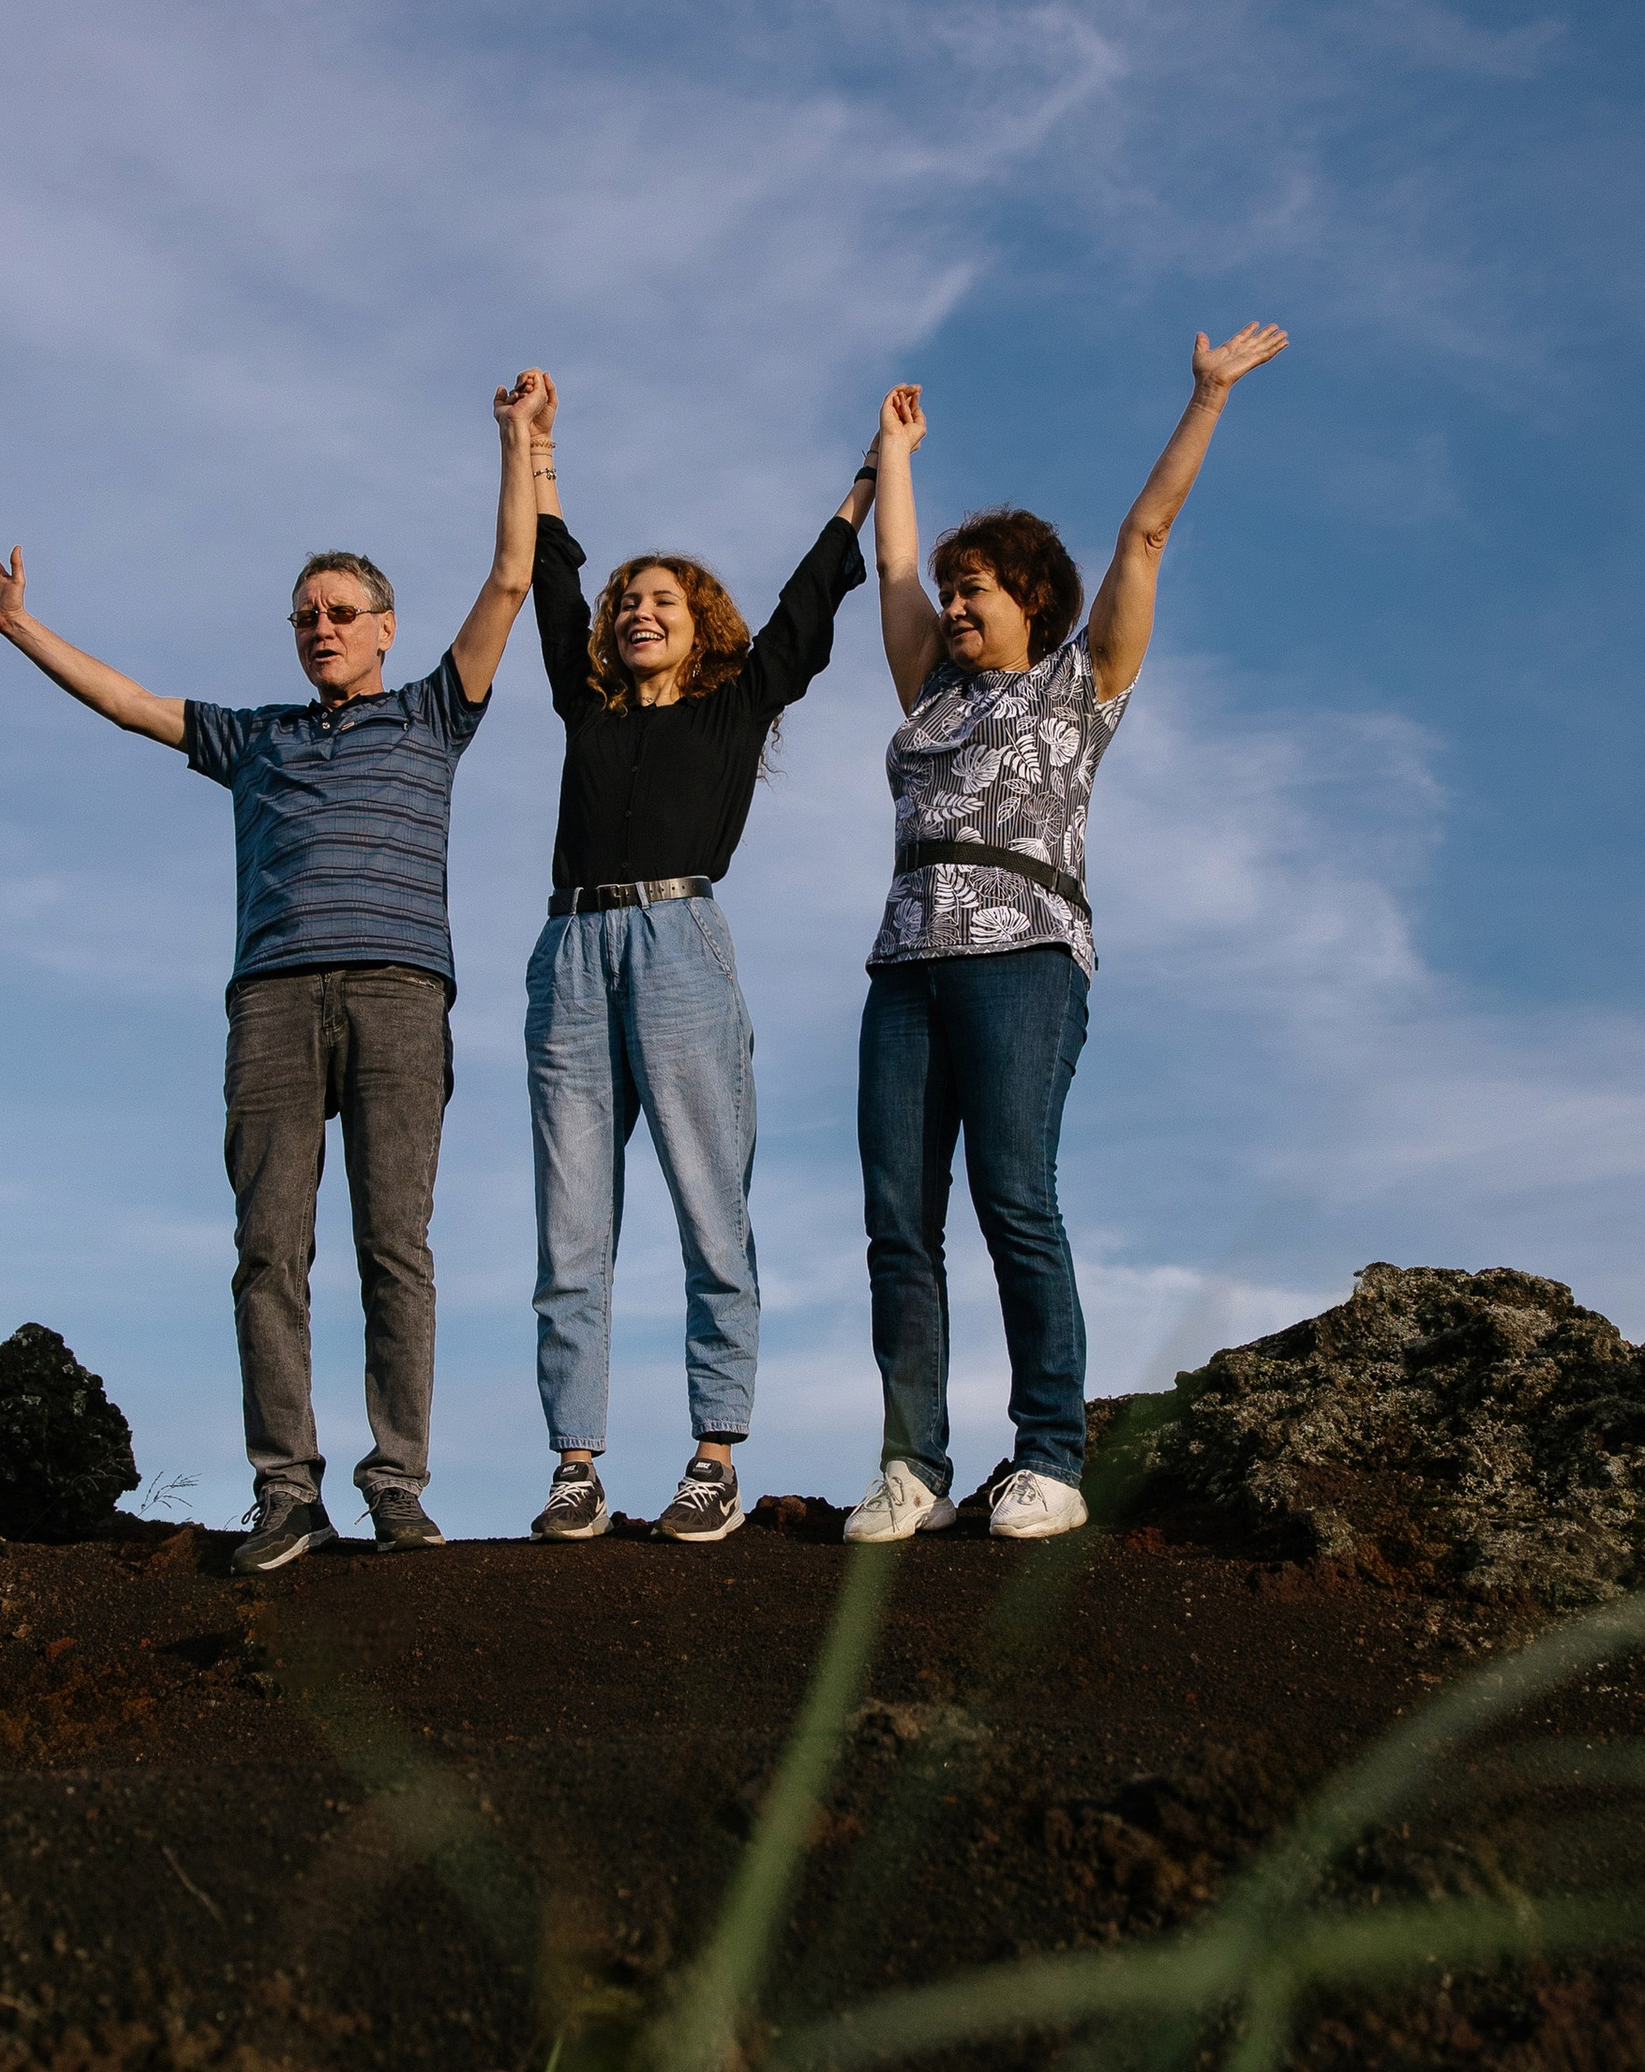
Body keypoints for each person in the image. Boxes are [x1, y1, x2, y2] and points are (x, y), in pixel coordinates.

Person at [0, 378, 546, 1571]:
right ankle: (286, 1491)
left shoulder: (432, 713)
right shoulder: (255, 736)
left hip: (397, 994)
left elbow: (510, 582)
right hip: (271, 1002)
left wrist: (516, 443)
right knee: (270, 1249)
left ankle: (397, 1486)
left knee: (395, 1248)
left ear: (383, 626)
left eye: (340, 611)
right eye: (302, 615)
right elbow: (129, 705)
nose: (319, 627)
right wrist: (19, 627)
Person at [843, 326, 1289, 1546]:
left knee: (1012, 1198)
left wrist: (1202, 398)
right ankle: (911, 1468)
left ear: (1028, 595)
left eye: (972, 587)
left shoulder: (1081, 680)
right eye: (951, 589)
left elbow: (1144, 532)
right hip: (905, 966)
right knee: (897, 1216)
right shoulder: (930, 688)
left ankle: (1048, 1454)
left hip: (1024, 956)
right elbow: (891, 571)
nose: (951, 603)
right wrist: (894, 454)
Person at [522, 393, 873, 1544]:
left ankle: (714, 1452)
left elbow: (808, 606)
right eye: (627, 602)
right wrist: (536, 452)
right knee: (572, 1224)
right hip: (570, 952)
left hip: (680, 949)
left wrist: (867, 484)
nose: (634, 612)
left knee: (709, 1208)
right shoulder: (583, 705)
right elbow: (552, 576)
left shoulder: (736, 705)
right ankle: (576, 1462)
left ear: (699, 623)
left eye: (660, 601)